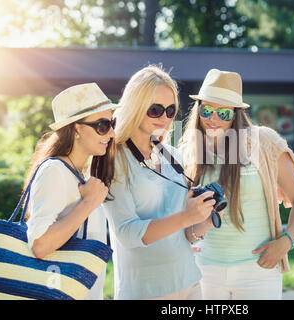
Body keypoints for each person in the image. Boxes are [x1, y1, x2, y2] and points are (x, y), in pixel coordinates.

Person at [179, 69, 294, 300]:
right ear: (198, 109)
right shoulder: (188, 152)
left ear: (236, 114)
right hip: (204, 270)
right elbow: (184, 218)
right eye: (207, 110)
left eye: (224, 112)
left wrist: (286, 241)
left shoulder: (264, 143)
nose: (213, 118)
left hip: (259, 270)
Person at [103, 65, 216, 300]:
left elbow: (184, 234)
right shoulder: (113, 159)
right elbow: (126, 233)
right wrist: (186, 217)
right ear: (135, 107)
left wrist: (203, 221)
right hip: (146, 290)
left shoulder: (172, 155)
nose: (164, 117)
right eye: (155, 110)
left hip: (190, 281)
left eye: (170, 110)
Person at [25, 83, 119, 300]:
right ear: (76, 129)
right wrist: (87, 204)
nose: (112, 133)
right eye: (103, 125)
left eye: (112, 123)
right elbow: (39, 245)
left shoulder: (78, 175)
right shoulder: (55, 171)